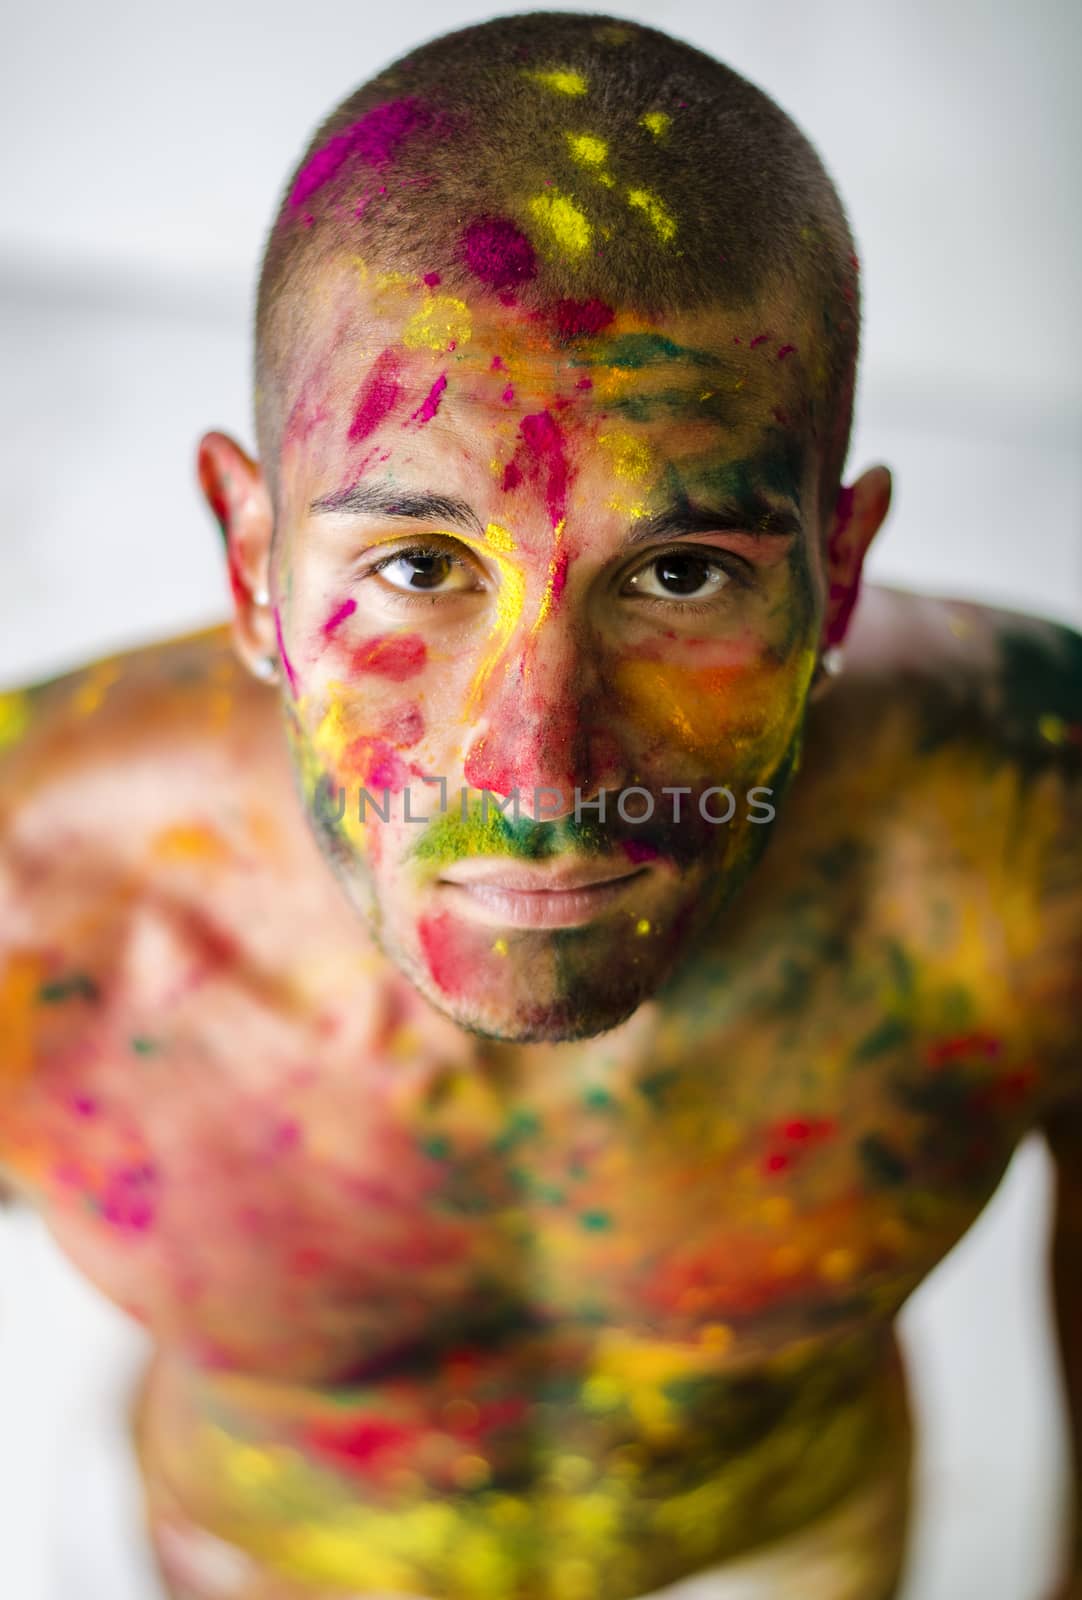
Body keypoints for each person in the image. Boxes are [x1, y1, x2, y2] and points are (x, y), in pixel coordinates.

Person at [1, 11, 1080, 1599]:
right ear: (252, 567)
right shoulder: (31, 906)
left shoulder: (1031, 835)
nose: (539, 772)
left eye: (680, 574)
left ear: (835, 577)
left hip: (784, 1548)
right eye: (418, 569)